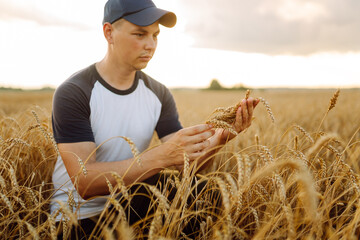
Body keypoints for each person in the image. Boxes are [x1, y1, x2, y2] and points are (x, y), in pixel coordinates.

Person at [51, 0, 259, 238]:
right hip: (75, 221)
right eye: (140, 34)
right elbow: (84, 183)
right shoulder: (75, 92)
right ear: (109, 32)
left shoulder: (158, 93)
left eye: (155, 35)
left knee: (202, 191)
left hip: (129, 206)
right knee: (156, 186)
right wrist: (161, 155)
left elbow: (188, 167)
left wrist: (222, 138)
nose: (150, 45)